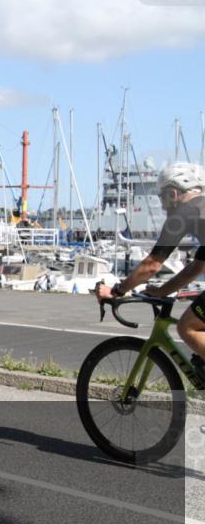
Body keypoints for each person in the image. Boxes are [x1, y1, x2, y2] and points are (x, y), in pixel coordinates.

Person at [95, 162, 205, 383]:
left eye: (162, 197)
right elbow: (196, 268)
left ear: (174, 192)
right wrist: (162, 291)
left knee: (188, 327)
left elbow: (152, 264)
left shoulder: (184, 212)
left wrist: (117, 290)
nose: (163, 205)